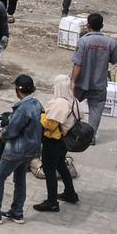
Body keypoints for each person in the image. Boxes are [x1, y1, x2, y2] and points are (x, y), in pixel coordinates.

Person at [0, 75, 43, 224]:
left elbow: (12, 131)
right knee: (20, 178)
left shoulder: (22, 109)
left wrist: (1, 133)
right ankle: (17, 212)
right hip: (31, 150)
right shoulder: (37, 104)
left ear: (18, 90)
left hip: (16, 150)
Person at [34, 75, 81, 212]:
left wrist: (42, 115)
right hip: (65, 141)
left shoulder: (60, 103)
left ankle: (52, 202)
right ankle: (70, 193)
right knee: (61, 165)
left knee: (49, 170)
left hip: (53, 142)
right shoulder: (74, 101)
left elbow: (50, 124)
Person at [70, 13, 117, 135]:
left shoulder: (83, 41)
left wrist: (72, 81)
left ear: (88, 26)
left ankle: (69, 132)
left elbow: (77, 64)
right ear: (102, 26)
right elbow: (115, 60)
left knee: (70, 105)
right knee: (96, 110)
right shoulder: (110, 42)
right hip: (99, 84)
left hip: (81, 83)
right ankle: (90, 136)